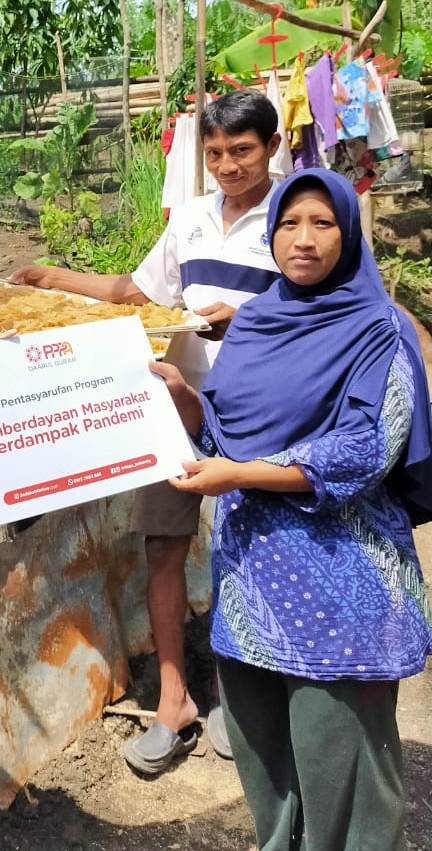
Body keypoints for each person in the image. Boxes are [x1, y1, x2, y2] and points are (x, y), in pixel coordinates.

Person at [154, 168, 432, 849]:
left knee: (343, 761)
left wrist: (242, 472)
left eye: (321, 223)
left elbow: (367, 446)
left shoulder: (378, 328)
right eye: (288, 223)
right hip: (251, 580)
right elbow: (224, 431)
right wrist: (183, 403)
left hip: (342, 581)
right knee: (264, 751)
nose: (302, 240)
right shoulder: (254, 325)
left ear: (349, 231)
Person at [11, 89, 283, 772]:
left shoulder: (294, 218)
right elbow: (136, 293)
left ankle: (237, 696)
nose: (227, 165)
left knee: (247, 553)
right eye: (216, 152)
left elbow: (323, 313)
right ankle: (174, 700)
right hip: (176, 407)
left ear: (272, 148)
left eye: (242, 151)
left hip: (262, 414)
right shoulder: (190, 221)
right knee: (164, 546)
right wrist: (53, 278)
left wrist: (246, 321)